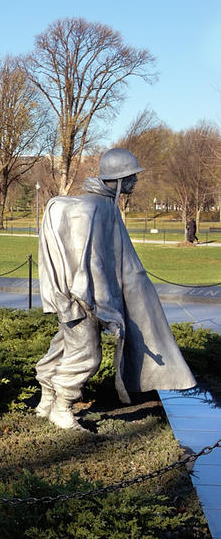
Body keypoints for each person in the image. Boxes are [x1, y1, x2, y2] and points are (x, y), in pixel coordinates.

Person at [35, 148, 195, 430]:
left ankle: (46, 402)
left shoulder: (104, 206)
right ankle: (61, 408)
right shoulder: (94, 209)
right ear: (119, 179)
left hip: (78, 297)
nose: (136, 181)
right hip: (82, 299)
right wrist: (107, 310)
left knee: (64, 346)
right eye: (132, 176)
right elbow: (92, 263)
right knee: (87, 355)